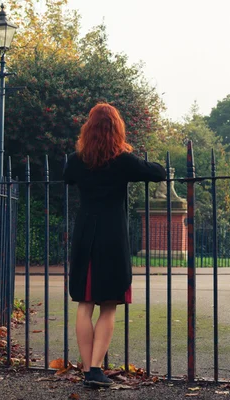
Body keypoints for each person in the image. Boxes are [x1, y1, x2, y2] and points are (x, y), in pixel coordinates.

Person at [63, 103, 166, 388]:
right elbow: (158, 172)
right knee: (109, 304)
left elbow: (66, 177)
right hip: (112, 238)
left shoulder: (77, 159)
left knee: (85, 303)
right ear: (116, 129)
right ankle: (96, 368)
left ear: (89, 129)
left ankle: (88, 370)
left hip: (85, 235)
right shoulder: (122, 160)